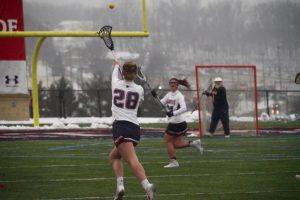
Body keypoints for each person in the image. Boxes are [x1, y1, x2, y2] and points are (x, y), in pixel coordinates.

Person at [109, 60, 156, 200]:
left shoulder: (115, 83)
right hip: (134, 128)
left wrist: (116, 65)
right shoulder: (140, 90)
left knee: (131, 160)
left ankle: (148, 187)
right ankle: (120, 187)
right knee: (113, 156)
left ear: (123, 73)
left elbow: (114, 73)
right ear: (135, 74)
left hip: (121, 127)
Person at [151, 78, 203, 168]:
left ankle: (174, 162)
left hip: (177, 122)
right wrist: (155, 97)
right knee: (175, 144)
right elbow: (160, 104)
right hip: (176, 122)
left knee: (167, 140)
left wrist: (172, 113)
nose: (172, 84)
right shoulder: (169, 94)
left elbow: (184, 108)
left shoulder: (179, 96)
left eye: (174, 83)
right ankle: (194, 143)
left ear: (177, 85)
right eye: (171, 83)